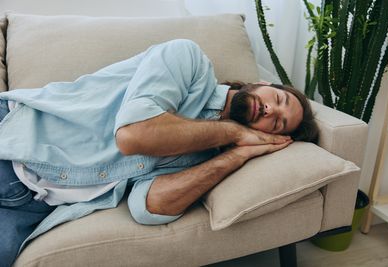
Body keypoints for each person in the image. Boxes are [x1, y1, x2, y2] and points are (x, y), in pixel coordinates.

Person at [0, 39, 318, 266]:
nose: (270, 110)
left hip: (29, 206)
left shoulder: (204, 158)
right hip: (16, 139)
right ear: (262, 83)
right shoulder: (188, 61)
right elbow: (133, 136)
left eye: (278, 123)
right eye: (278, 99)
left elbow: (150, 207)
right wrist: (235, 132)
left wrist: (235, 156)